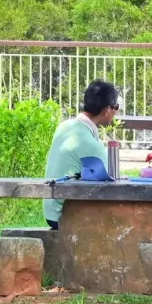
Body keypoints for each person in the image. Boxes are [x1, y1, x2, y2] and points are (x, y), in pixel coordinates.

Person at [42, 79, 120, 230]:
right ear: (106, 110)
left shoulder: (64, 126)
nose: (116, 111)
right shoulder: (91, 145)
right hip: (65, 217)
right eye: (116, 107)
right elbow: (111, 186)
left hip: (51, 213)